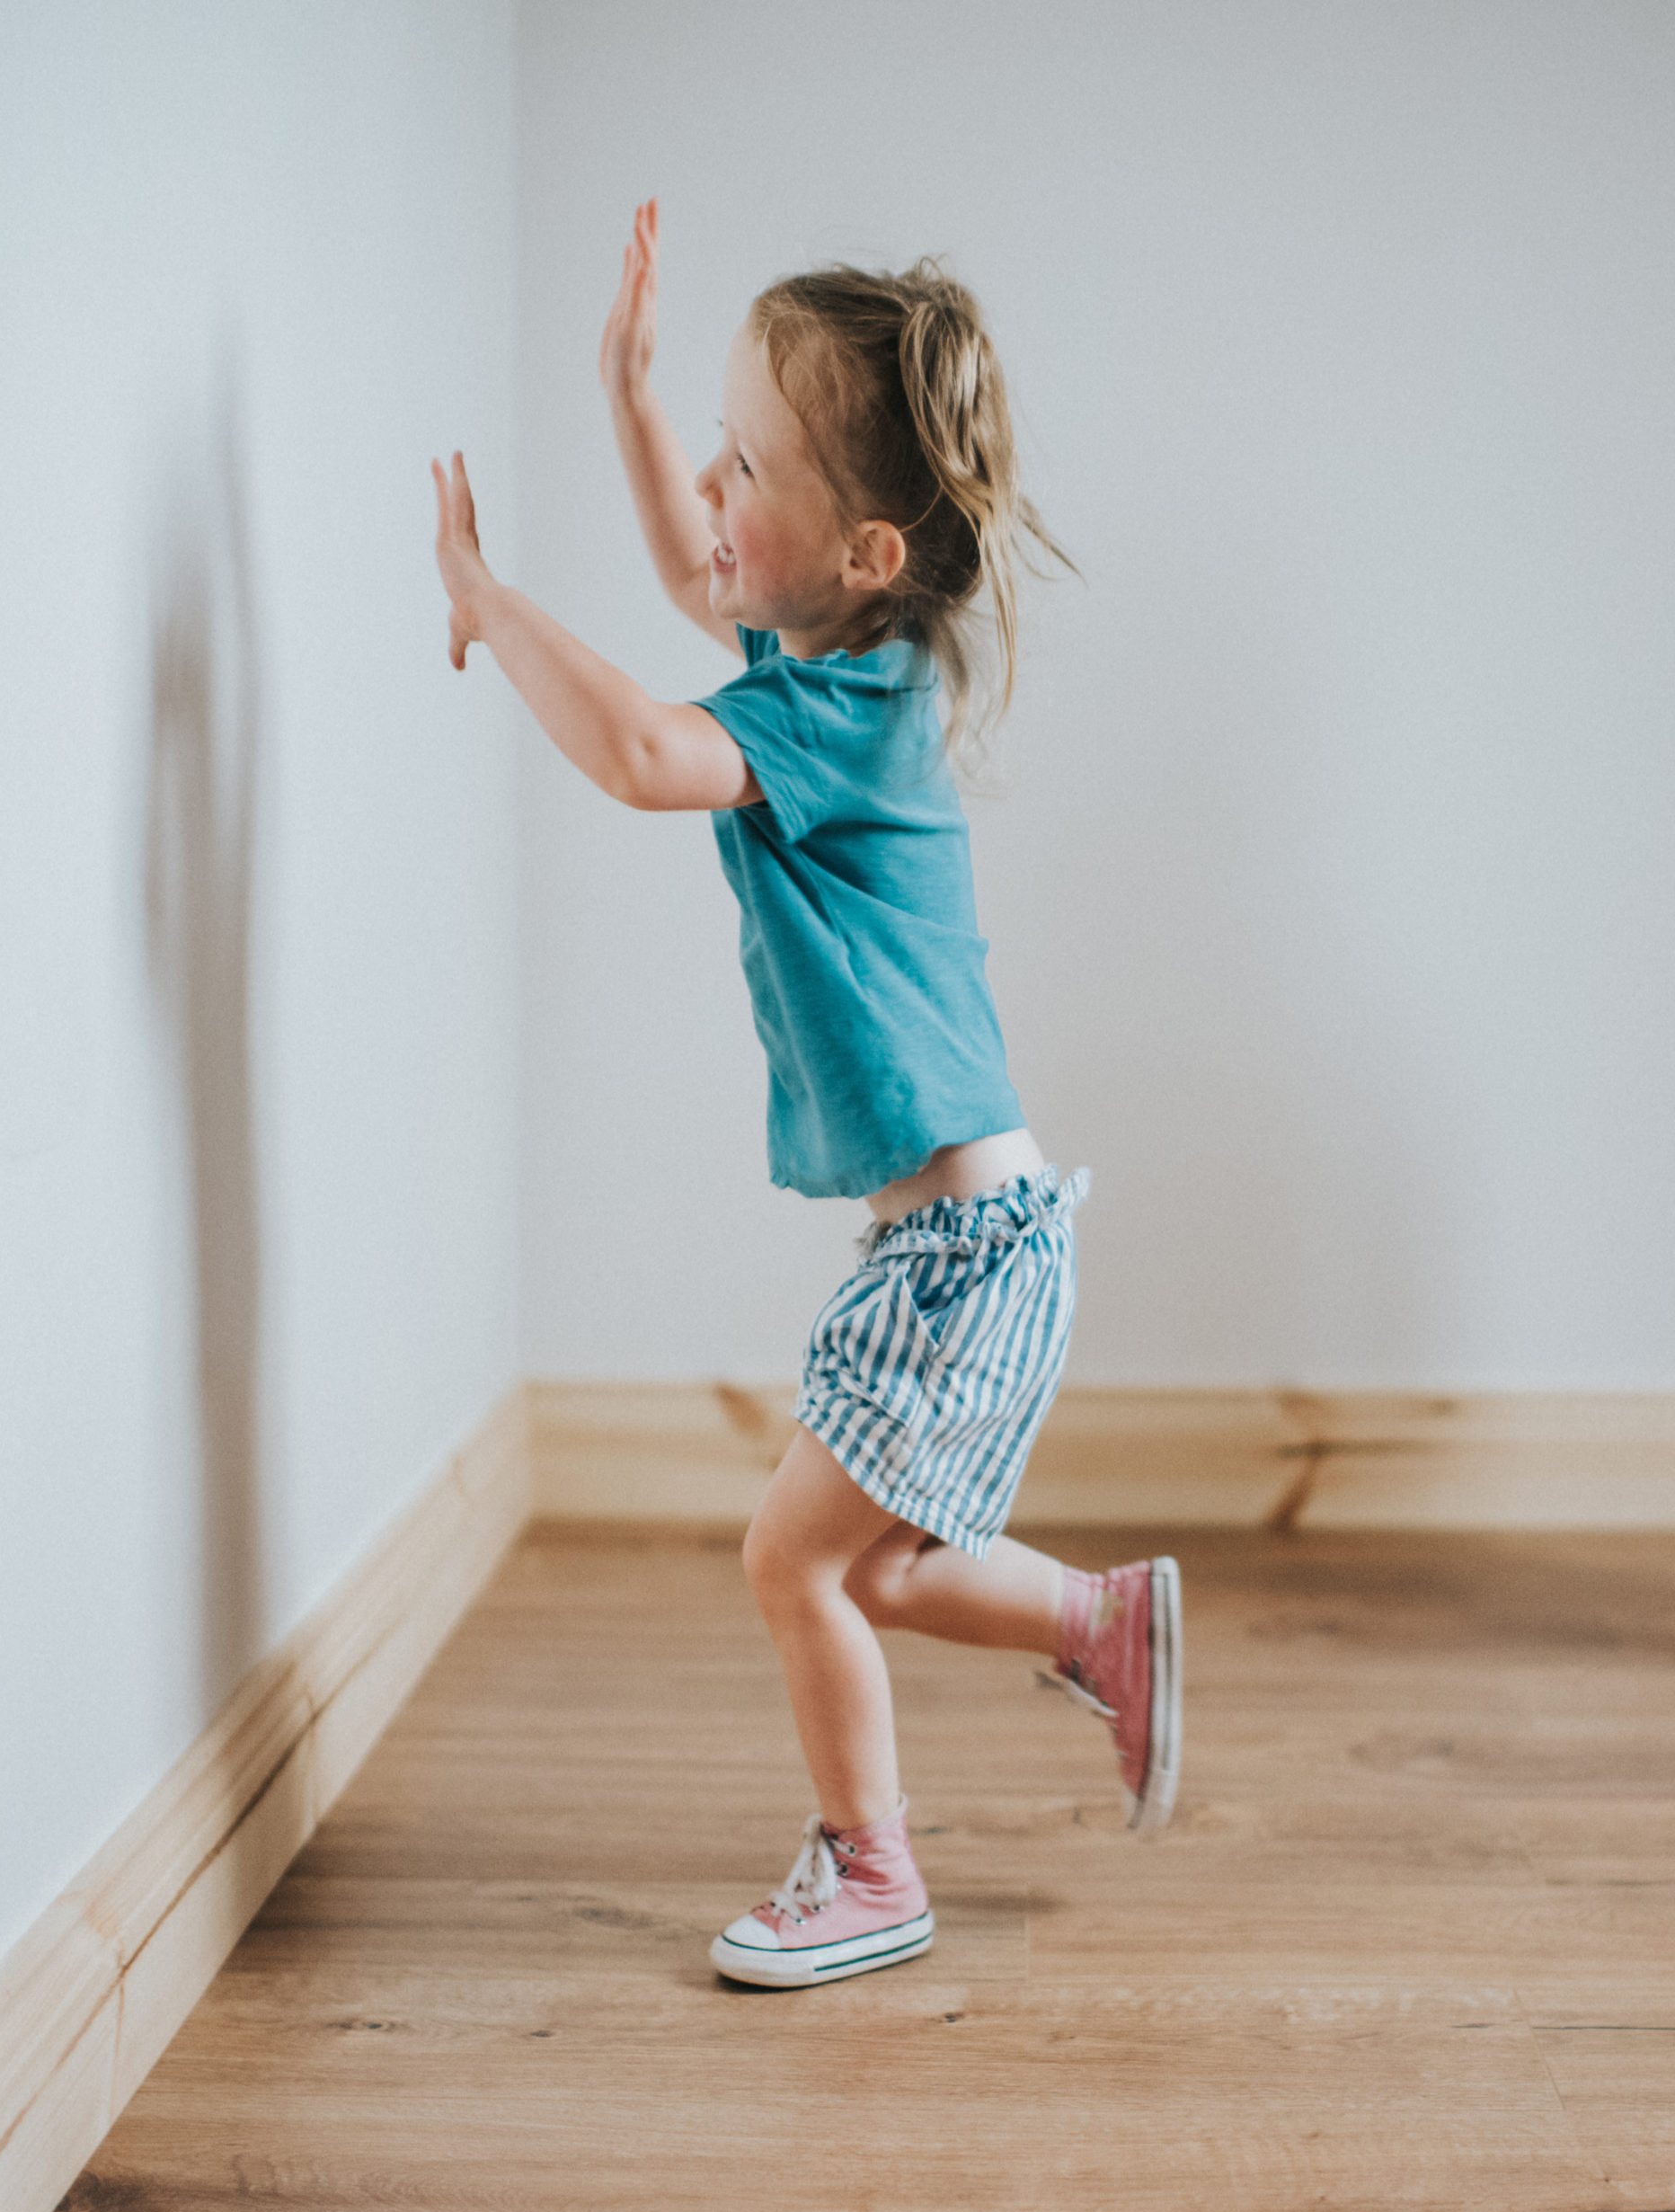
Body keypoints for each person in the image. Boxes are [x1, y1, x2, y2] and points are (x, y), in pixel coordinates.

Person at [430, 200, 1180, 1989]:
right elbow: (706, 578)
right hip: (956, 1241)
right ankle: (1099, 1622)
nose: (706, 486)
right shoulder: (845, 657)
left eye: (741, 462)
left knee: (793, 1559)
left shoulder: (827, 720)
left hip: (966, 1252)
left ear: (854, 549)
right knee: (878, 1568)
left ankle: (869, 1869)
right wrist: (620, 398)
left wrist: (482, 599)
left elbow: (631, 751)